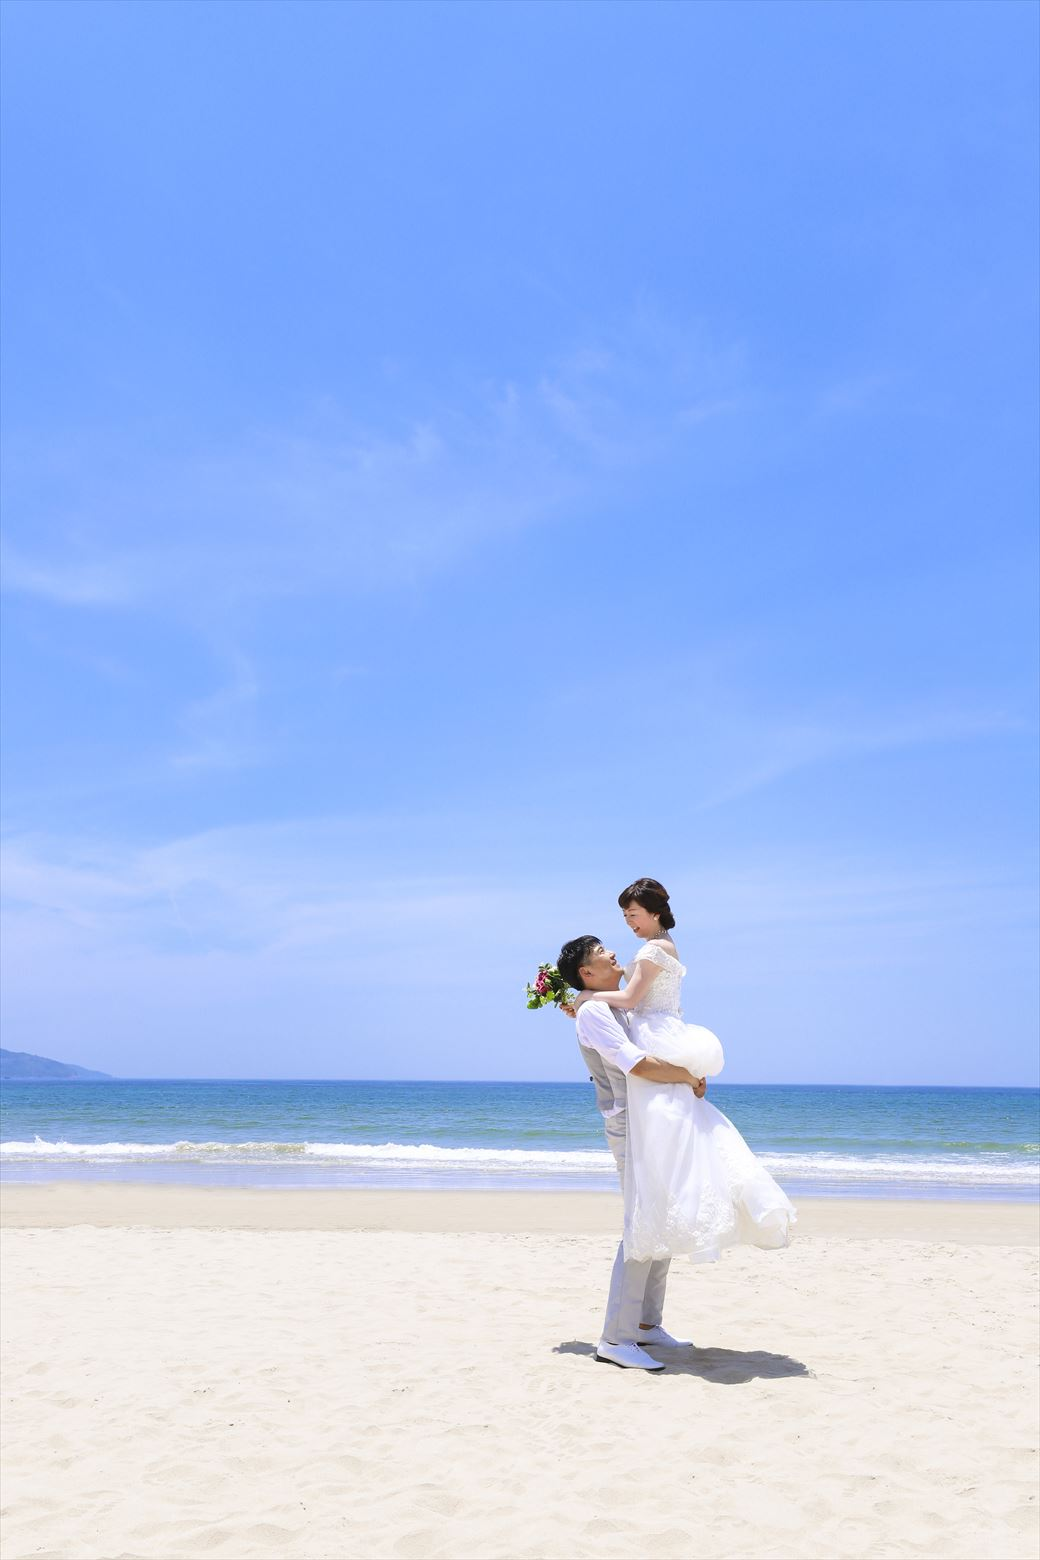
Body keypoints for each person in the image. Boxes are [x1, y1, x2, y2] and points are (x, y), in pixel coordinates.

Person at [571, 878, 795, 1268]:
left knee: (666, 1132)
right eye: (624, 916)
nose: (628, 922)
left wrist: (586, 996)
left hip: (655, 1032)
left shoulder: (655, 949)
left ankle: (667, 1216)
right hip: (655, 1029)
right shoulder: (657, 946)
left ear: (654, 912)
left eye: (633, 914)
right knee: (674, 1131)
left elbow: (630, 999)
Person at [557, 933, 706, 1371]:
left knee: (661, 1217)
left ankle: (645, 1324)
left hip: (652, 1120)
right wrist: (687, 1075)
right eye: (602, 952)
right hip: (630, 1126)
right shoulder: (594, 1013)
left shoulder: (614, 1005)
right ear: (587, 971)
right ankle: (615, 1338)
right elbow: (636, 1064)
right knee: (642, 1223)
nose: (613, 952)